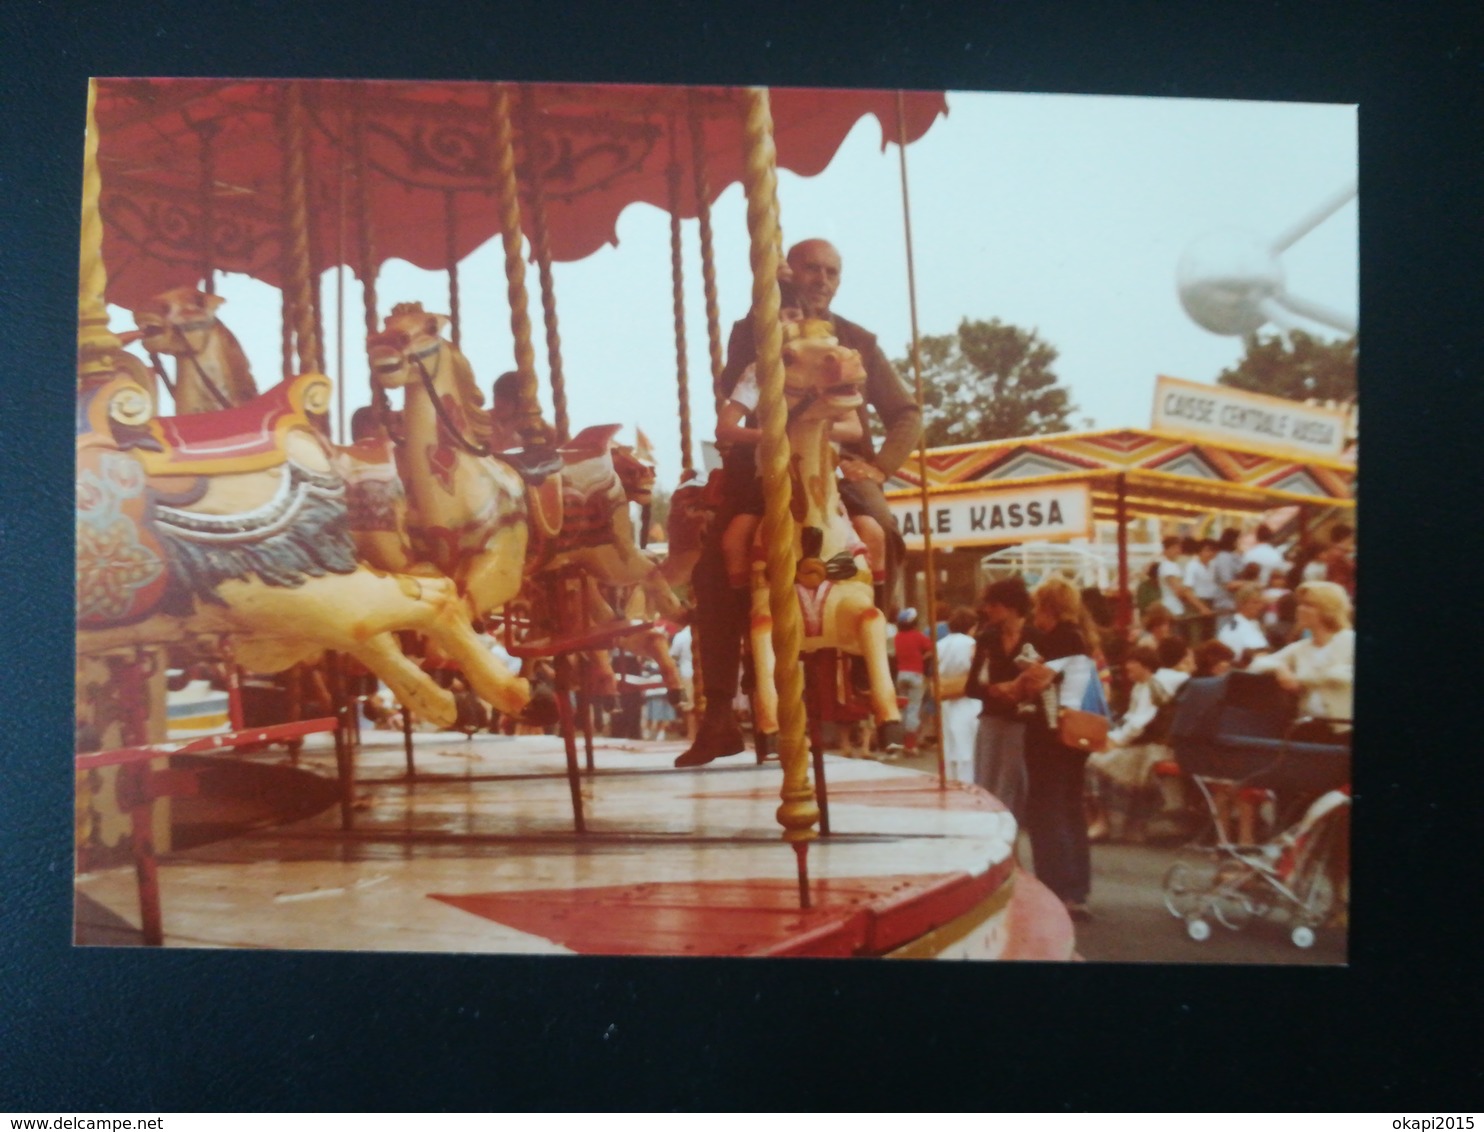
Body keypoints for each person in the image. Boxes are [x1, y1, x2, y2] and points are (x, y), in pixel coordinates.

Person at [676, 238, 923, 767]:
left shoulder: (857, 340)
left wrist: (878, 467)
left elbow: (904, 412)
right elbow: (734, 388)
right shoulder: (755, 332)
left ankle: (869, 651)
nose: (821, 279)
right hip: (765, 463)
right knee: (715, 565)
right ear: (793, 273)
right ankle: (721, 706)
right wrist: (770, 295)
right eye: (810, 269)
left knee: (884, 529)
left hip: (834, 464)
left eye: (831, 271)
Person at [1016, 577, 1102, 920]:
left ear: (1048, 607)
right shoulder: (1081, 637)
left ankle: (1055, 887)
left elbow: (1039, 682)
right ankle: (1077, 889)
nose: (1036, 613)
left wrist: (1024, 672)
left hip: (1050, 736)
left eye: (1038, 606)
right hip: (1076, 736)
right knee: (1070, 808)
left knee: (1046, 810)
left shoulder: (1057, 640)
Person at [967, 577, 1035, 824]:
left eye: (993, 605)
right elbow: (971, 686)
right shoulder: (987, 638)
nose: (988, 610)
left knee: (1014, 785)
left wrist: (1021, 688)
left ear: (1011, 606)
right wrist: (994, 690)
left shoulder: (1035, 636)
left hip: (1023, 721)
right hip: (992, 719)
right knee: (987, 783)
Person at [1247, 580, 1355, 728]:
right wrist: (1280, 668)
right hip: (1306, 727)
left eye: (1309, 605)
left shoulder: (1350, 640)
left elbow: (1339, 675)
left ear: (1328, 610)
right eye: (1300, 604)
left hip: (1344, 730)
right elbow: (1256, 664)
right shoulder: (1300, 648)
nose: (1300, 609)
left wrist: (1301, 680)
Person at [934, 607, 981, 784]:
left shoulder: (940, 644)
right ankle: (968, 782)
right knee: (968, 748)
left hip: (946, 699)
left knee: (951, 746)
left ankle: (952, 781)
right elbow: (978, 671)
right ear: (972, 626)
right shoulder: (970, 644)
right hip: (968, 700)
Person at [891, 608, 933, 755]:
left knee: (904, 708)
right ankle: (910, 745)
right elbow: (931, 649)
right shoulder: (918, 636)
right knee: (914, 709)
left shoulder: (897, 637)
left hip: (901, 674)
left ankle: (901, 741)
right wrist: (922, 658)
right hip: (916, 674)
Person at [1217, 583, 1272, 666]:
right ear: (1241, 604)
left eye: (1261, 603)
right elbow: (1235, 659)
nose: (1260, 607)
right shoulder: (1233, 628)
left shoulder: (1253, 623)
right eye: (1255, 603)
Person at [1242, 523, 1286, 587]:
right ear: (1270, 537)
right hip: (1269, 589)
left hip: (1250, 590)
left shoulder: (1248, 553)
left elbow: (1242, 571)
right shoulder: (1276, 554)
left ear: (1257, 537)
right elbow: (1281, 572)